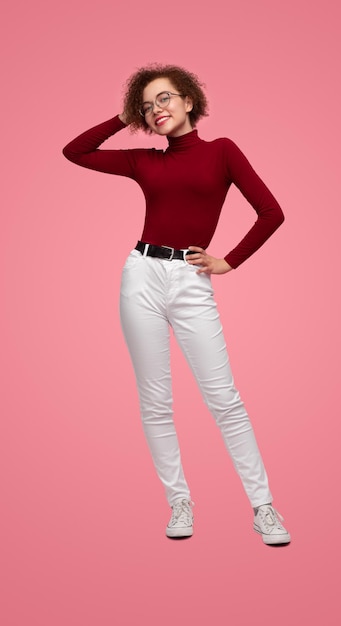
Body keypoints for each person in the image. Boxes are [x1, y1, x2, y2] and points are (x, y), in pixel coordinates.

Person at [63, 64, 290, 545]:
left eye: (164, 98)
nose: (156, 109)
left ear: (189, 101)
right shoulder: (144, 160)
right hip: (141, 276)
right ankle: (179, 503)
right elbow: (74, 152)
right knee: (155, 401)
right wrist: (124, 117)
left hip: (190, 279)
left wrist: (230, 261)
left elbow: (272, 212)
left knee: (224, 398)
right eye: (147, 105)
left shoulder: (222, 152)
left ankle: (263, 507)